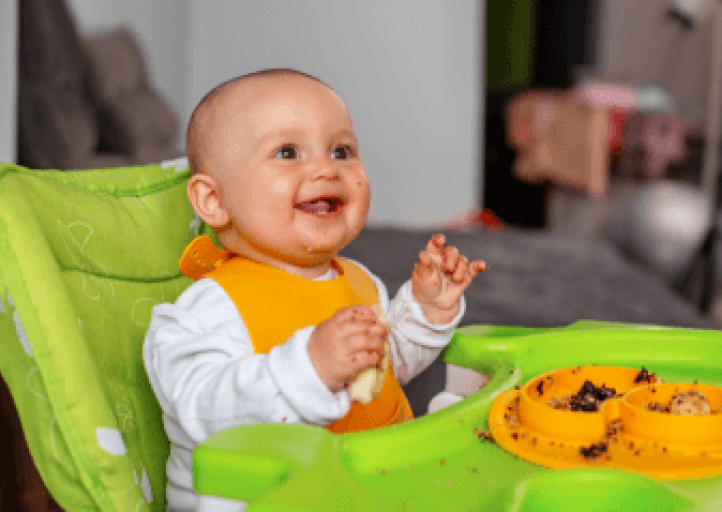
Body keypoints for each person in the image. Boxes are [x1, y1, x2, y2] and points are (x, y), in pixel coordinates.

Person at [143, 68, 487, 511]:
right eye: (287, 152)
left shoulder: (360, 280)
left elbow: (380, 373)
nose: (326, 167)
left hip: (372, 487)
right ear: (214, 201)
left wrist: (425, 310)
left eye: (341, 150)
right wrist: (308, 368)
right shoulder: (208, 310)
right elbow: (202, 411)